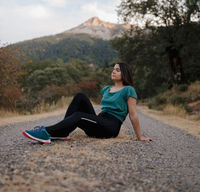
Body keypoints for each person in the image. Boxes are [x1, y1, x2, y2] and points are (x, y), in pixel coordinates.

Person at [22, 62, 152, 144]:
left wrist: (139, 137)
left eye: (117, 70)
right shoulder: (107, 89)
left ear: (125, 73)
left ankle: (47, 132)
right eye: (113, 69)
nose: (113, 71)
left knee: (79, 115)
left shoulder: (129, 90)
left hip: (110, 127)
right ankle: (63, 132)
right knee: (80, 96)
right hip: (100, 120)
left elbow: (133, 114)